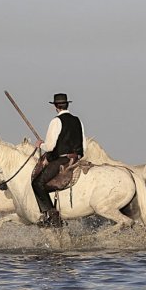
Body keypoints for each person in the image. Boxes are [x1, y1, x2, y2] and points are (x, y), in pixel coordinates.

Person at [31, 93, 87, 227]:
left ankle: (52, 217)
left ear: (56, 106)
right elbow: (84, 145)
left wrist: (40, 145)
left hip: (62, 160)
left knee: (37, 183)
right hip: (76, 159)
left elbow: (50, 147)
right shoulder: (78, 120)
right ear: (67, 105)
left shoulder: (56, 121)